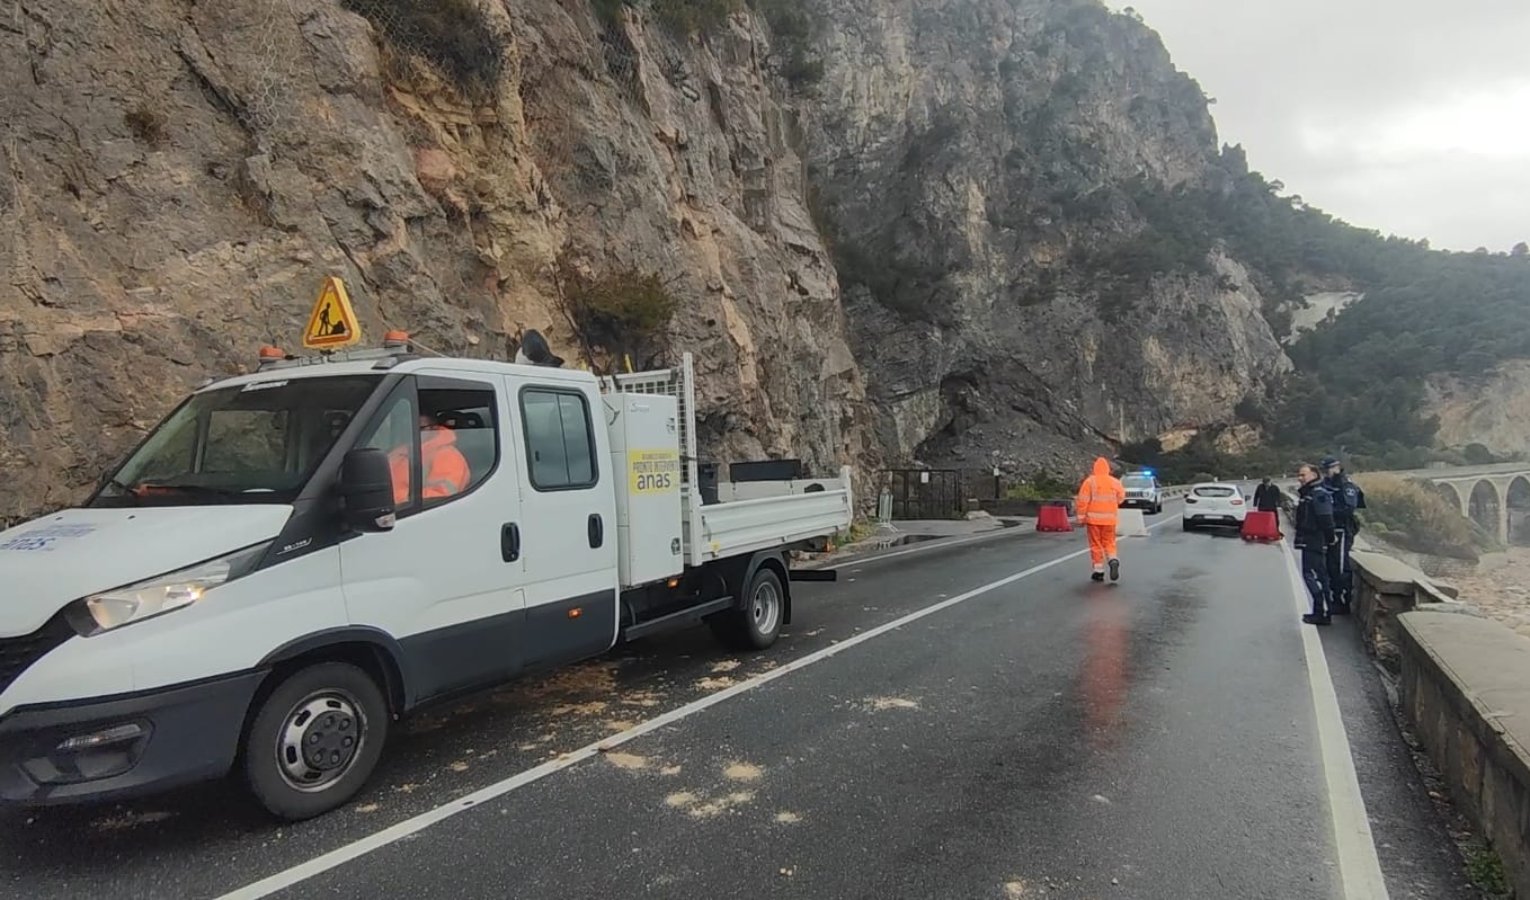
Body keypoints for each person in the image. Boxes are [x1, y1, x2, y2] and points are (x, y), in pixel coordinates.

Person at [389, 413, 471, 506]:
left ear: (434, 428)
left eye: (421, 428)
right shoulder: (400, 451)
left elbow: (442, 496)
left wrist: (397, 498)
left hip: (414, 513)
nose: (414, 431)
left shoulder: (447, 455)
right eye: (410, 427)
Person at [1294, 463, 1339, 626]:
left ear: (1314, 475)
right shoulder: (1310, 493)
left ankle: (1323, 612)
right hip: (1309, 540)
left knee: (1316, 576)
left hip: (1316, 541)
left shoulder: (1318, 494)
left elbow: (1326, 519)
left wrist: (1330, 538)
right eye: (1299, 475)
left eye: (1303, 475)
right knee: (1310, 575)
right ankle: (1318, 611)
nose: (1300, 478)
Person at [1321, 455, 1367, 614]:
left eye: (1329, 469)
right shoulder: (1326, 484)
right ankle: (1335, 598)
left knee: (1341, 567)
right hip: (1329, 531)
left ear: (1336, 468)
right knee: (1330, 567)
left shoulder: (1346, 485)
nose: (1327, 473)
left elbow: (1348, 508)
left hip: (1342, 530)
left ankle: (1343, 600)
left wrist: (1327, 514)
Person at [1075, 457, 1127, 582]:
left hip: (1094, 520)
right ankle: (1113, 560)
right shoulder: (1115, 482)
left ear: (1095, 468)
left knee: (1096, 545)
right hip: (1110, 520)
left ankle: (1098, 571)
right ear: (1108, 469)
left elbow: (1083, 501)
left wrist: (1081, 519)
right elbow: (1121, 498)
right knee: (1109, 543)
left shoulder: (1089, 482)